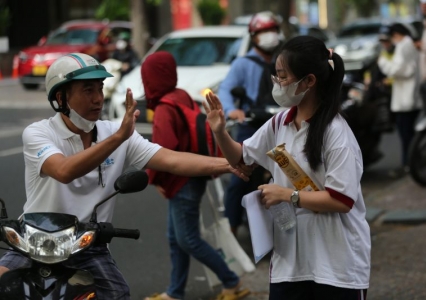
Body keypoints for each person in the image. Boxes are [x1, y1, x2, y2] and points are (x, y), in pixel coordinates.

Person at [0, 53, 251, 300]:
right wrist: (118, 137)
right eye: (88, 90)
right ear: (61, 97)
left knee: (118, 293)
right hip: (34, 241)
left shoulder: (115, 132)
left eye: (100, 89)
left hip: (86, 246)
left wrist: (228, 163)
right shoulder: (38, 133)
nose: (98, 99)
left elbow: (172, 158)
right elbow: (63, 171)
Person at [205, 36, 371, 299]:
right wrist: (220, 132)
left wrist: (288, 196)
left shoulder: (337, 133)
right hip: (290, 263)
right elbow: (241, 157)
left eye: (282, 77)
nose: (277, 84)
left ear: (309, 81)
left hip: (337, 265)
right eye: (276, 76)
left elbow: (342, 200)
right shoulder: (279, 122)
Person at [140, 51, 250, 300]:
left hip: (181, 180)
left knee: (188, 240)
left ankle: (232, 281)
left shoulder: (164, 108)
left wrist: (153, 178)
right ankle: (175, 292)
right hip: (196, 174)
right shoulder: (180, 96)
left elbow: (161, 151)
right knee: (175, 238)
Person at [217, 11, 282, 236]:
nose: (269, 36)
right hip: (251, 126)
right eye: (264, 32)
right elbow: (225, 89)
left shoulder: (283, 60)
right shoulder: (243, 63)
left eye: (272, 30)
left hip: (279, 125)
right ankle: (231, 231)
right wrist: (232, 110)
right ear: (254, 36)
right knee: (239, 178)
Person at [378, 23, 422, 178]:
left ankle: (408, 165)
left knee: (406, 136)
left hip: (405, 99)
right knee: (408, 134)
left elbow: (397, 70)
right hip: (409, 97)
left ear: (396, 34)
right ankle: (411, 165)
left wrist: (383, 62)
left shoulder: (404, 45)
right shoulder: (409, 44)